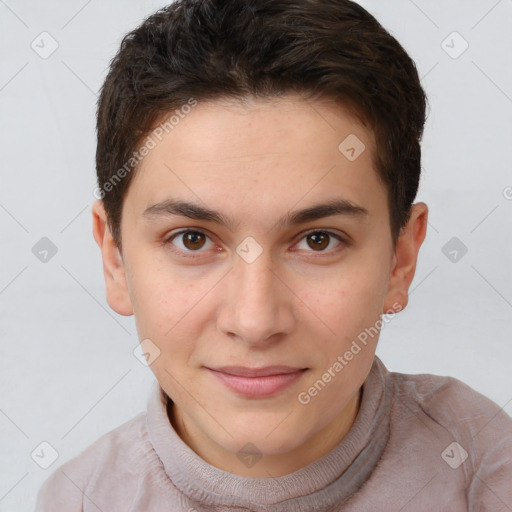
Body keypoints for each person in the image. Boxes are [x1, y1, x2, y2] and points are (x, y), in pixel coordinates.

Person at [35, 0, 512, 510]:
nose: (256, 321)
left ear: (400, 259)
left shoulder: (482, 467)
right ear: (115, 259)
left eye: (318, 240)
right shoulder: (80, 499)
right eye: (192, 239)